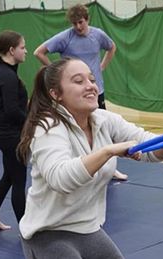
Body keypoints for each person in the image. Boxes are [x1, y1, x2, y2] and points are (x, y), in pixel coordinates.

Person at [16, 58, 163, 258]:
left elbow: (146, 146)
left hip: (87, 227)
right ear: (56, 94)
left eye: (92, 79)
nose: (90, 86)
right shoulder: (48, 126)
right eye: (79, 81)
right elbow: (60, 179)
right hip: (47, 232)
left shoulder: (104, 119)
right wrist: (108, 151)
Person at [33, 4, 128, 180]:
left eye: (81, 22)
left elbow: (112, 47)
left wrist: (101, 67)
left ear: (87, 19)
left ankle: (109, 167)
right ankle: (81, 164)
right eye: (75, 23)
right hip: (74, 96)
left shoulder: (98, 35)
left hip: (95, 91)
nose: (78, 26)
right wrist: (56, 73)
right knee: (78, 129)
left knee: (101, 129)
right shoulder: (65, 38)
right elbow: (39, 52)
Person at [0, 30, 30, 230]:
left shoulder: (5, 72)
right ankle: (26, 228)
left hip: (5, 133)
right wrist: (32, 122)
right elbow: (12, 110)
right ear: (12, 51)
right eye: (22, 47)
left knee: (9, 176)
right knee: (19, 180)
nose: (26, 51)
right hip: (10, 135)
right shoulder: (7, 76)